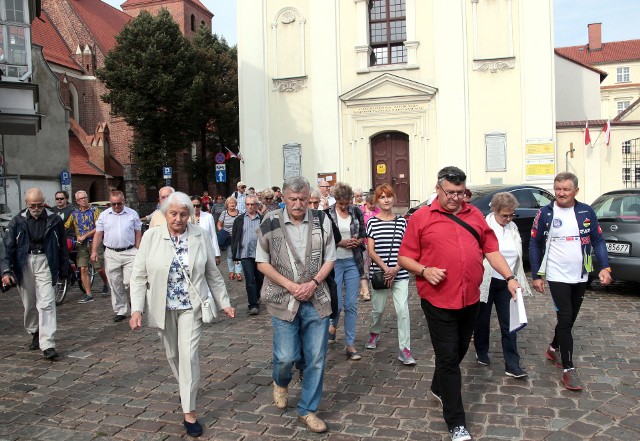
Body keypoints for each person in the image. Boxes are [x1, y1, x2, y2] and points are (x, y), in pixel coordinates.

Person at [398, 166, 521, 441]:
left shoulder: (474, 214)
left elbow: (491, 250)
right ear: (438, 189)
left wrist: (510, 277)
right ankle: (456, 422)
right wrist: (424, 270)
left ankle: (437, 385)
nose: (456, 197)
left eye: (461, 192)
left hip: (470, 298)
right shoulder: (421, 217)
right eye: (450, 192)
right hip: (438, 300)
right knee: (448, 359)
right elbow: (404, 258)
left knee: (459, 351)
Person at [129, 192, 235, 438]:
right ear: (165, 213)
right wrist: (136, 309)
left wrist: (224, 302)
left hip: (191, 306)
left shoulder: (199, 235)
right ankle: (186, 385)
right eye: (173, 213)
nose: (178, 219)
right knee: (173, 354)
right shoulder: (151, 237)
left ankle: (189, 410)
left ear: (190, 215)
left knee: (188, 356)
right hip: (162, 307)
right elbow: (138, 275)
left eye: (183, 214)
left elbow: (212, 272)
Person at [256, 176, 336, 433]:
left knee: (315, 359)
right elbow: (262, 262)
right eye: (293, 199)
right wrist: (290, 286)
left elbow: (330, 258)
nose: (299, 204)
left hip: (316, 298)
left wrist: (313, 282)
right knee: (286, 356)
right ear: (284, 198)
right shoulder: (269, 221)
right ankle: (280, 381)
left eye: (303, 199)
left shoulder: (322, 220)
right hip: (282, 299)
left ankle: (308, 410)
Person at [530, 171, 612, 391]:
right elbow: (535, 244)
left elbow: (598, 240)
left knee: (570, 318)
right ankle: (568, 369)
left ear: (576, 190)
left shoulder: (586, 211)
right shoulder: (545, 213)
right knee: (565, 318)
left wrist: (604, 266)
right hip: (557, 275)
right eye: (558, 189)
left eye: (566, 189)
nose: (561, 193)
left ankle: (553, 347)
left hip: (582, 274)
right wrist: (537, 275)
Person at [1, 188, 69, 360]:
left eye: (39, 204)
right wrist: (6, 271)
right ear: (26, 203)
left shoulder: (54, 219)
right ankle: (34, 331)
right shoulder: (17, 221)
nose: (36, 208)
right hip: (24, 262)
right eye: (33, 205)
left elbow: (62, 246)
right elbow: (7, 247)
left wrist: (64, 269)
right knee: (29, 303)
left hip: (46, 261)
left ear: (44, 201)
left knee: (46, 302)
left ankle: (48, 344)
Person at [474, 192, 532, 378]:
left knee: (510, 323)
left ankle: (512, 364)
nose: (508, 219)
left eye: (511, 214)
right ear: (495, 211)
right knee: (482, 320)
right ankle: (481, 350)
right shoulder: (484, 226)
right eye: (504, 215)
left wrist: (516, 278)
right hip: (486, 280)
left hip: (508, 282)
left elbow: (518, 256)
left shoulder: (513, 227)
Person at [363, 184, 414, 365]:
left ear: (393, 199)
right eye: (382, 197)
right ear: (377, 200)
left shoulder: (402, 222)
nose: (386, 200)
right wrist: (386, 269)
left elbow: (407, 249)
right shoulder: (372, 222)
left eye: (389, 196)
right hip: (380, 273)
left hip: (399, 273)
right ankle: (375, 332)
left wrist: (396, 269)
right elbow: (371, 251)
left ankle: (405, 349)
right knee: (378, 310)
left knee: (402, 311)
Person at [325, 182, 366, 360]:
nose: (345, 206)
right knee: (337, 304)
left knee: (351, 305)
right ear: (336, 200)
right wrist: (339, 242)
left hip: (352, 261)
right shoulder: (327, 214)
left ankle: (350, 344)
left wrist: (358, 241)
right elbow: (325, 239)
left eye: (347, 202)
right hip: (333, 262)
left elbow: (364, 233)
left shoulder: (356, 211)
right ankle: (332, 326)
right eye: (341, 203)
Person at [91, 191, 142, 322]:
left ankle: (135, 305)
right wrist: (94, 251)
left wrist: (138, 248)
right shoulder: (104, 215)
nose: (116, 206)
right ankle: (121, 310)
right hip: (111, 252)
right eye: (113, 204)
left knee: (130, 281)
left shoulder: (132, 214)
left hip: (130, 251)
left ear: (123, 201)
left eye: (119, 203)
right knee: (115, 283)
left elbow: (138, 233)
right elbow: (98, 234)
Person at [65, 190, 110, 302]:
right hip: (81, 245)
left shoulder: (95, 211)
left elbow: (99, 227)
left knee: (99, 268)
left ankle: (106, 283)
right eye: (81, 199)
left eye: (85, 197)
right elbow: (66, 226)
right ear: (77, 201)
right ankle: (89, 294)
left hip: (94, 241)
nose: (84, 200)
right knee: (83, 268)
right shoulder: (75, 214)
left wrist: (85, 235)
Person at [231, 194, 264, 315]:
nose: (250, 207)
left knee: (260, 278)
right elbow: (235, 238)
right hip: (245, 254)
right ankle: (253, 304)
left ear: (256, 205)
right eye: (248, 204)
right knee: (250, 280)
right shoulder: (239, 220)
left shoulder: (262, 219)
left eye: (252, 204)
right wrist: (235, 255)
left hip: (260, 254)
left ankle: (257, 296)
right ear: (245, 205)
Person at [358, 193, 380, 302]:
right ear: (366, 202)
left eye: (375, 203)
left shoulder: (378, 212)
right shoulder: (360, 211)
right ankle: (366, 291)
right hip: (364, 244)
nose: (373, 206)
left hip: (376, 244)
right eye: (371, 203)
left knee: (372, 268)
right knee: (364, 268)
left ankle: (365, 288)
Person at [217, 197, 243, 281]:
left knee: (238, 254)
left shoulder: (240, 213)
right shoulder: (224, 213)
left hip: (238, 237)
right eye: (230, 203)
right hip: (228, 238)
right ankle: (231, 272)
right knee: (229, 255)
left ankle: (238, 273)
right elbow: (219, 224)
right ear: (227, 205)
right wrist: (222, 232)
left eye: (233, 202)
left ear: (236, 204)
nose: (232, 204)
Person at [190, 196, 221, 266]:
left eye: (198, 206)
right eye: (193, 206)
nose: (195, 208)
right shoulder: (186, 217)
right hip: (191, 252)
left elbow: (213, 235)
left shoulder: (208, 217)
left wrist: (217, 254)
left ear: (201, 206)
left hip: (207, 251)